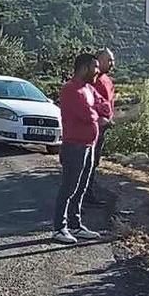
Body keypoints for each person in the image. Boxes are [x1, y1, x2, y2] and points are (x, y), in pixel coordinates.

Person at [52, 54, 109, 245]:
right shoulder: (70, 89)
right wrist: (97, 116)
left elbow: (106, 107)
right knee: (69, 187)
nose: (98, 70)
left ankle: (76, 225)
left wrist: (98, 113)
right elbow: (87, 115)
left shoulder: (90, 89)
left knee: (82, 187)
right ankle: (59, 228)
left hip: (88, 145)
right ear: (84, 68)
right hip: (74, 146)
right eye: (94, 67)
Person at [85, 47, 116, 205]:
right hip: (92, 127)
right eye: (109, 60)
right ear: (99, 60)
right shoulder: (92, 80)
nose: (112, 63)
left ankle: (88, 193)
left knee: (94, 161)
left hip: (102, 127)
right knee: (88, 161)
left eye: (112, 60)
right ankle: (83, 196)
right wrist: (98, 119)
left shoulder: (107, 80)